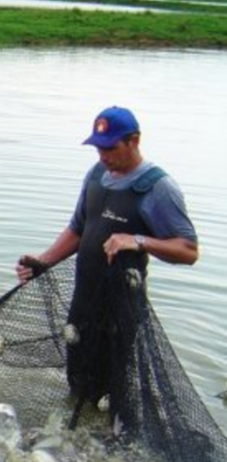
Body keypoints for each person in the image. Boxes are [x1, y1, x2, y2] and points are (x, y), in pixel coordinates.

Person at [16, 106, 199, 407]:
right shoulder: (96, 175)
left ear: (134, 141)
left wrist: (138, 240)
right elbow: (78, 229)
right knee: (77, 385)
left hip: (120, 311)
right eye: (98, 148)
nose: (103, 156)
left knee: (112, 395)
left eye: (110, 147)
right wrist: (44, 262)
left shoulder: (157, 187)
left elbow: (188, 250)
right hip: (83, 304)